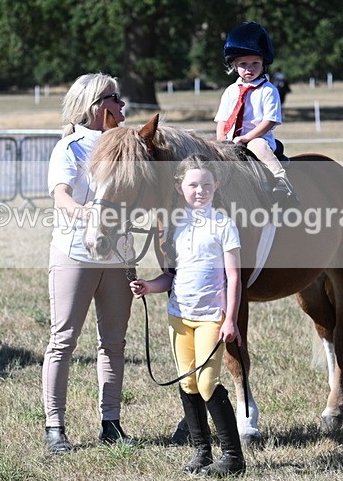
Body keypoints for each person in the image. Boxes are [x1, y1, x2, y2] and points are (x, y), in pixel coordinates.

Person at [129, 155, 246, 477]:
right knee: (189, 383)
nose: (200, 190)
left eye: (207, 185)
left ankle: (233, 457)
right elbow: (172, 276)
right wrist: (149, 286)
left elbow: (234, 277)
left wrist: (231, 319)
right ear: (180, 187)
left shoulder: (223, 224)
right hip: (179, 317)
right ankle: (202, 452)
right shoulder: (176, 226)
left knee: (208, 382)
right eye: (193, 185)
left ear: (216, 187)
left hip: (211, 316)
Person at [42, 73, 135, 454]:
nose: (122, 106)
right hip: (75, 253)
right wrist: (88, 216)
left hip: (120, 254)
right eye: (116, 99)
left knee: (113, 342)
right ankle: (55, 425)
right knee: (63, 341)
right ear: (97, 104)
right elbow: (60, 194)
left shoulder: (128, 145)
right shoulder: (70, 147)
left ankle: (111, 423)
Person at [215, 21, 298, 206]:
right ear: (234, 65)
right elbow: (222, 119)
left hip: (257, 137)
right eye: (243, 64)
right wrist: (221, 139)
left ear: (263, 64)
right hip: (229, 139)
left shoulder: (268, 90)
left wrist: (246, 138)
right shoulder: (230, 90)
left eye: (255, 63)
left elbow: (269, 121)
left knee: (258, 146)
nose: (249, 68)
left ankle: (281, 180)